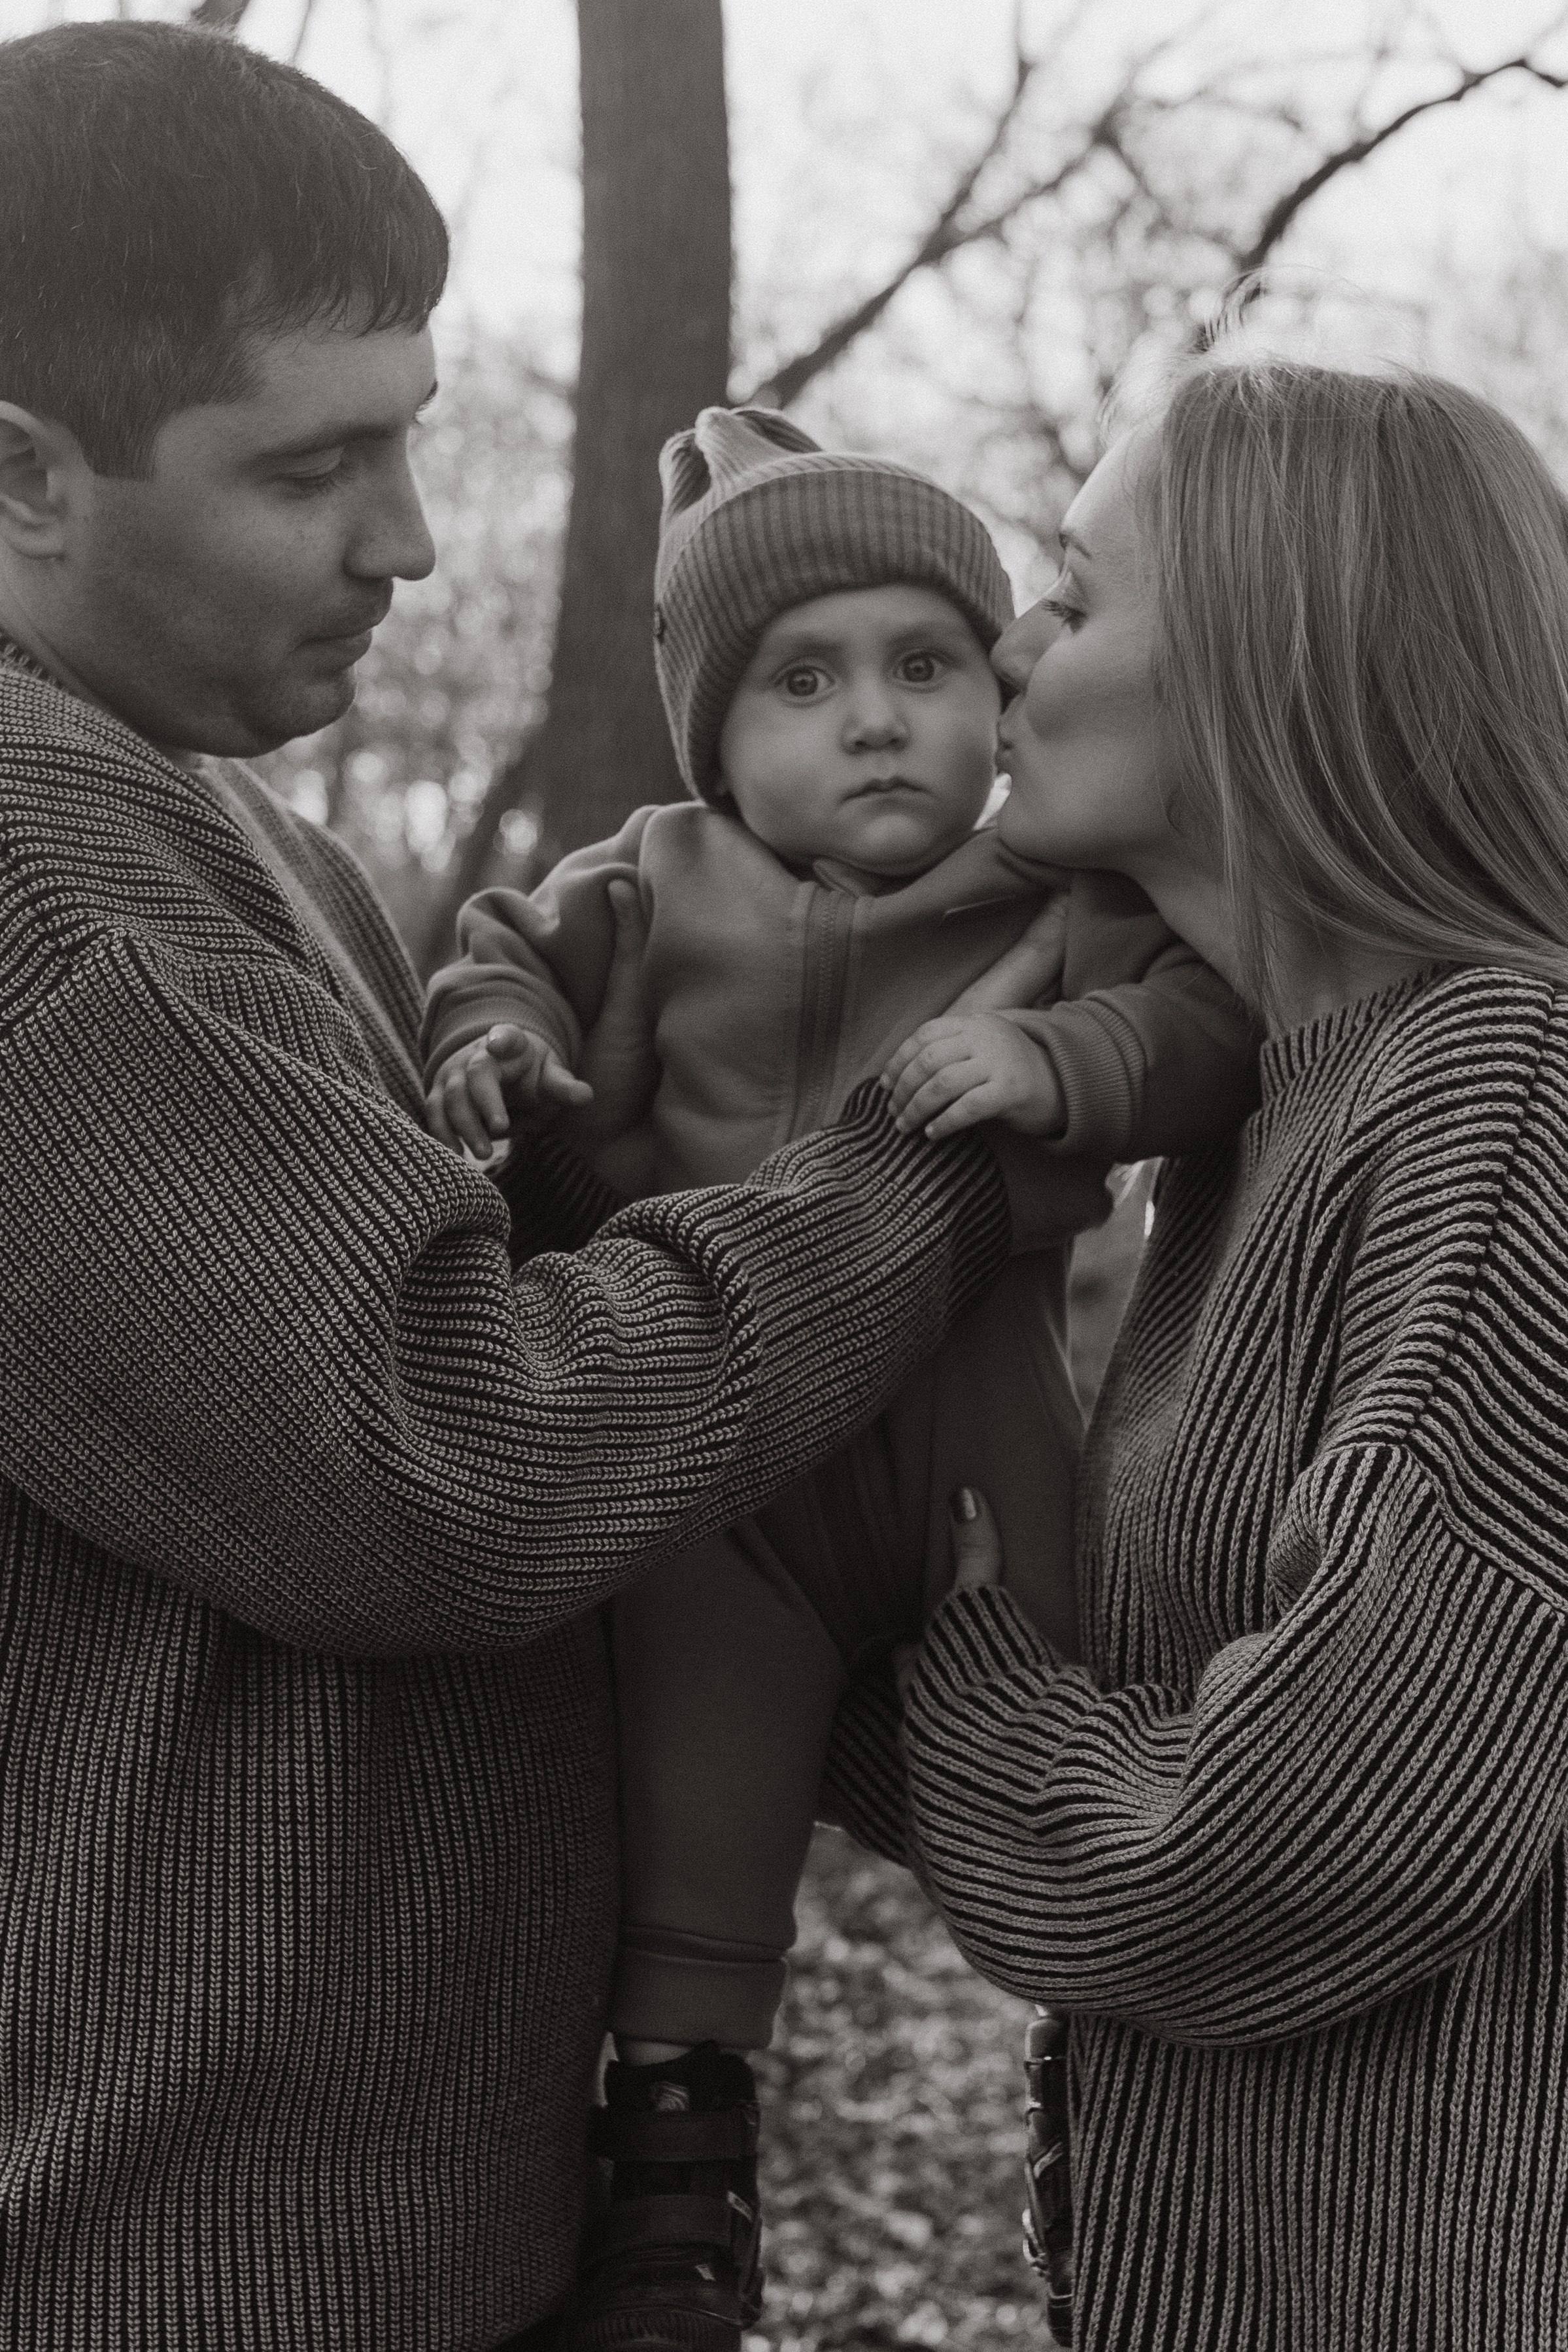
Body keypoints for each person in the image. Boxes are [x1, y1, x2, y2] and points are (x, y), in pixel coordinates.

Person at [0, 26, 1080, 2350]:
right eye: (314, 468)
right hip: (181, 2252)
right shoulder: (49, 879)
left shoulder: (225, 824)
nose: (406, 532)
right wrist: (952, 1169)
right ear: (22, 478)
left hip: (374, 2209)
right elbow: (451, 1463)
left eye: (407, 429)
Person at [420, 405, 1258, 2350]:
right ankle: (682, 2163)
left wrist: (1071, 1063)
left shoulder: (1047, 905)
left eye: (925, 666)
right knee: (696, 1812)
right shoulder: (645, 879)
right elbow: (497, 960)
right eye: (802, 682)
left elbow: (1208, 1031)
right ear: (713, 733)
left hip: (981, 1445)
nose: (874, 718)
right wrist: (492, 1051)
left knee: (1096, 1751)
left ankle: (1105, 2087)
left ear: (995, 693)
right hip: (725, 1484)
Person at [881, 359, 1568, 2351]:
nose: (1010, 642)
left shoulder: (1502, 1088)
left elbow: (1324, 1831)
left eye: (1079, 597)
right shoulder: (1262, 1122)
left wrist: (948, 1677)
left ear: (1279, 659)